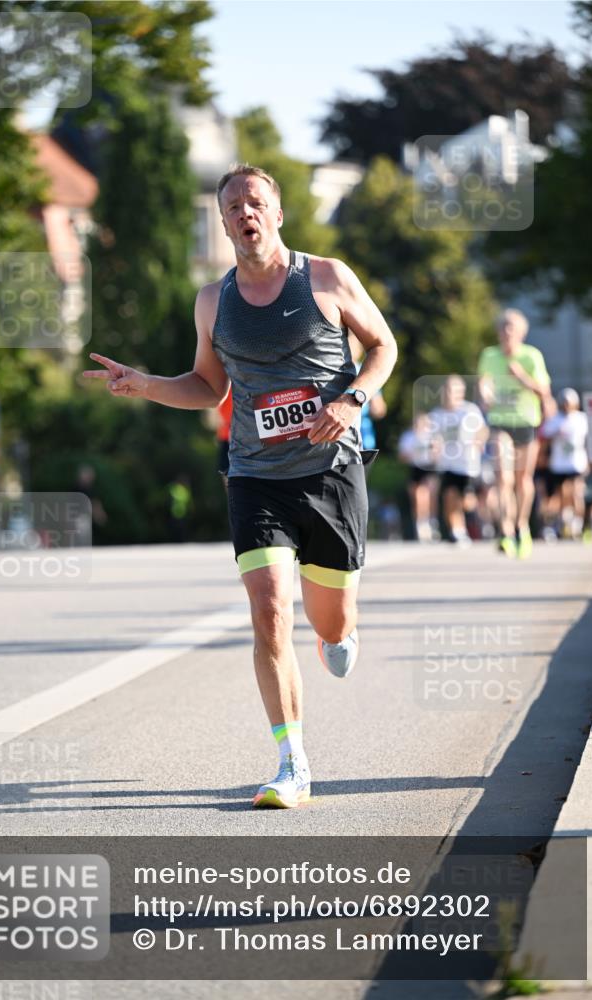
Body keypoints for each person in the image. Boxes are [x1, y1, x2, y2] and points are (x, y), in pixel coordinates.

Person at [83, 163, 397, 809]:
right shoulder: (212, 301)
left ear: (276, 214)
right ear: (224, 222)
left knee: (330, 623)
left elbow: (383, 346)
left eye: (255, 202)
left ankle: (338, 634)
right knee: (270, 611)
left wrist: (353, 400)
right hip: (255, 477)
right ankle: (292, 762)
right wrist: (144, 384)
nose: (244, 213)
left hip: (330, 472)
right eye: (233, 206)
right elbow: (208, 387)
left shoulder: (328, 277)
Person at [477, 309, 551, 559]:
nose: (506, 332)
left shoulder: (532, 356)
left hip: (526, 421)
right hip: (500, 422)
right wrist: (485, 393)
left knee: (523, 480)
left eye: (511, 328)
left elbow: (544, 391)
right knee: (503, 477)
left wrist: (522, 377)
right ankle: (506, 531)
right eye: (503, 327)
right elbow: (483, 382)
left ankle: (522, 526)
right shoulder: (489, 355)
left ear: (521, 332)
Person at [428, 375, 488, 546]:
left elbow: (483, 430)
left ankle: (477, 522)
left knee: (467, 501)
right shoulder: (436, 414)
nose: (450, 394)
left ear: (461, 393)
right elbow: (433, 437)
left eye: (454, 390)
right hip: (447, 463)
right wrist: (434, 447)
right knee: (449, 497)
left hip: (467, 464)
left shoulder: (469, 410)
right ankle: (457, 531)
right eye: (447, 390)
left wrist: (479, 442)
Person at [540, 388, 589, 540]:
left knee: (576, 493)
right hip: (559, 465)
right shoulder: (554, 420)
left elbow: (590, 440)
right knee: (561, 494)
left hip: (576, 463)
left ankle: (578, 524)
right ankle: (563, 522)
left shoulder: (581, 419)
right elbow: (543, 438)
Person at [397, 413, 438, 541]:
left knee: (429, 496)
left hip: (428, 468)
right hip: (415, 468)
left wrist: (433, 452)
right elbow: (402, 457)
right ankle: (421, 524)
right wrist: (412, 454)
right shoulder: (408, 437)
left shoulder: (431, 436)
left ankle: (432, 522)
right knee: (417, 497)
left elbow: (438, 454)